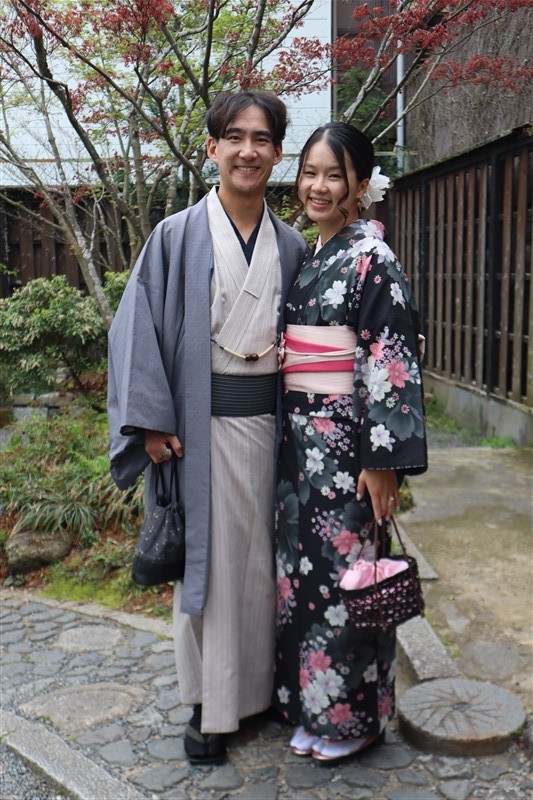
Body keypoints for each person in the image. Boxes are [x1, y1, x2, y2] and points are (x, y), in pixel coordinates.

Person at [107, 91, 307, 765]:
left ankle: (261, 693)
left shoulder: (291, 245)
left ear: (277, 153)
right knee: (212, 571)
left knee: (264, 569)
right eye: (235, 137)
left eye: (262, 139)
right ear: (213, 147)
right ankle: (210, 709)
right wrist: (150, 423)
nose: (248, 150)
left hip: (273, 434)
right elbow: (136, 329)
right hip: (198, 432)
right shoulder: (176, 235)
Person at [273, 122, 427, 763]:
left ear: (361, 185)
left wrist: (382, 461)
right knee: (303, 583)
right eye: (310, 172)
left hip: (348, 451)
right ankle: (312, 708)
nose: (318, 186)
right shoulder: (313, 255)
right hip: (299, 448)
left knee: (350, 582)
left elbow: (390, 358)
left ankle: (355, 718)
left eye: (334, 175)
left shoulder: (372, 257)